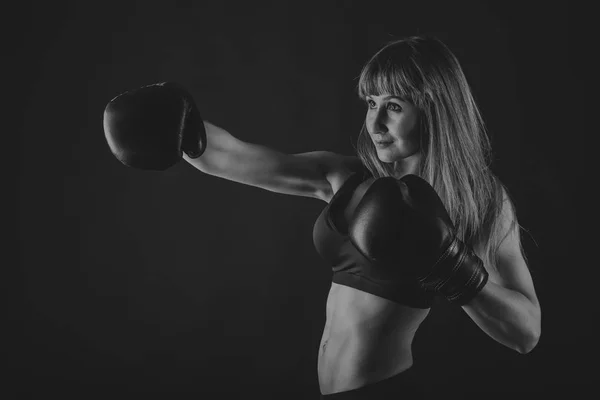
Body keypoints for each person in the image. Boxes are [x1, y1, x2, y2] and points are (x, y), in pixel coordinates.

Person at [103, 35, 542, 399]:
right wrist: (184, 127)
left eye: (394, 105)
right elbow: (239, 159)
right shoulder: (348, 177)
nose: (376, 124)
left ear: (434, 108)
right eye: (371, 103)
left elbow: (526, 333)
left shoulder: (476, 198)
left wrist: (451, 265)